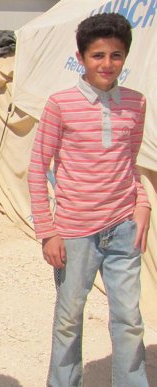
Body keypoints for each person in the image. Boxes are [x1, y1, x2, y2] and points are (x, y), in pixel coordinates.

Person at [27, 12, 151, 387]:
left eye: (116, 55)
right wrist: (48, 231)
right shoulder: (59, 104)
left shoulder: (136, 103)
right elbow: (37, 169)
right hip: (75, 233)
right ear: (80, 58)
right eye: (98, 55)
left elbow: (130, 163)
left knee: (129, 319)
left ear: (125, 57)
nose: (107, 64)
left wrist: (142, 203)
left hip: (124, 228)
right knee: (69, 320)